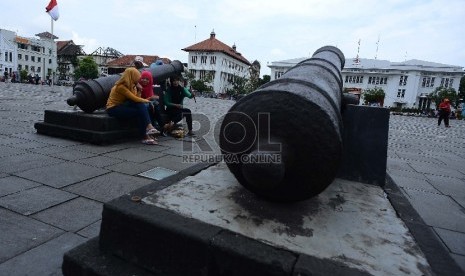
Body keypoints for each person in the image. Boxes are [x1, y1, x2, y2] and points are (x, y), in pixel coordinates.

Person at [106, 67, 160, 145]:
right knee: (140, 111)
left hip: (123, 105)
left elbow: (137, 99)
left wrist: (139, 90)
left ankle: (148, 131)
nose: (138, 79)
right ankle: (147, 133)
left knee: (141, 107)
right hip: (113, 108)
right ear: (132, 76)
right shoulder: (121, 87)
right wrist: (148, 101)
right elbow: (135, 99)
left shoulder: (132, 85)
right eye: (137, 76)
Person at [138, 70, 172, 134]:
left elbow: (150, 97)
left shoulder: (149, 87)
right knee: (152, 107)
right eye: (143, 78)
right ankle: (160, 126)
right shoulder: (138, 87)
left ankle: (155, 127)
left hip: (147, 104)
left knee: (155, 105)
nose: (145, 80)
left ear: (150, 80)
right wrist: (151, 98)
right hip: (140, 105)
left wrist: (153, 99)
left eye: (147, 79)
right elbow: (138, 99)